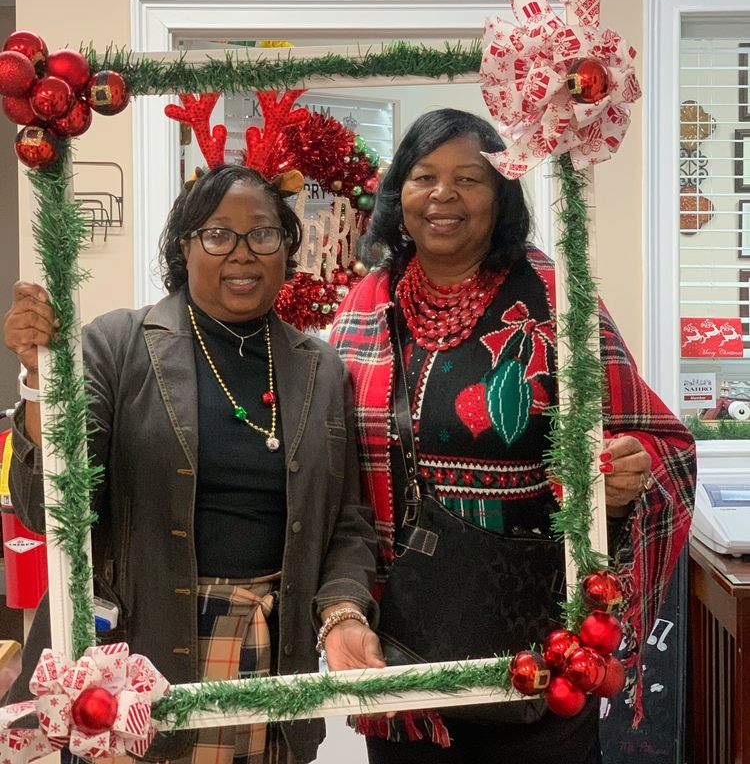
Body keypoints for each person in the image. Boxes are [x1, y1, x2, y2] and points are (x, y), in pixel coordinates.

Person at [330, 109, 696, 764]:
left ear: (501, 194)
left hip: (535, 647)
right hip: (404, 650)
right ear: (399, 195)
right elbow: (338, 476)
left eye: (469, 177)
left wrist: (620, 478)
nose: (444, 195)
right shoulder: (367, 302)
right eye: (424, 176)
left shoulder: (552, 296)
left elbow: (658, 438)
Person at [3, 163, 384, 764]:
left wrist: (341, 612)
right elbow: (48, 508)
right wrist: (37, 379)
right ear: (184, 246)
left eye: (263, 234)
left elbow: (348, 524)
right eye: (216, 235)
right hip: (131, 656)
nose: (242, 253)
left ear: (288, 246)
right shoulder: (115, 346)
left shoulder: (321, 368)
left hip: (271, 654)